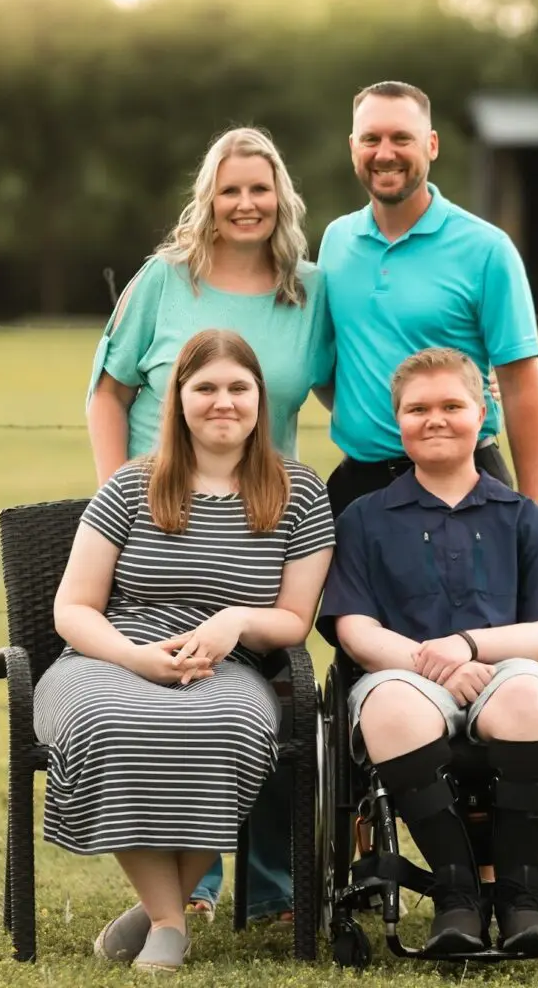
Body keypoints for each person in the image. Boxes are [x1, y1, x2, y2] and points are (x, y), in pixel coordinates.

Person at [86, 127, 334, 921]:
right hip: (159, 513)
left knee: (266, 682)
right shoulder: (163, 280)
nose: (246, 204)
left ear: (283, 197)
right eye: (231, 189)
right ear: (209, 197)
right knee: (176, 690)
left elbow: (337, 391)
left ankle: (274, 890)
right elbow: (107, 392)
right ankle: (190, 890)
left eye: (260, 189)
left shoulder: (312, 291)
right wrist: (120, 501)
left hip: (264, 517)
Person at [35, 330, 334, 971]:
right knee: (108, 720)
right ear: (179, 398)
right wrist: (135, 659)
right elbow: (72, 609)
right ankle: (171, 921)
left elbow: (293, 619)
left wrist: (233, 622)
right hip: (108, 657)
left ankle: (155, 913)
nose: (222, 402)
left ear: (261, 398)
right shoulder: (131, 486)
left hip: (229, 664)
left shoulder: (301, 493)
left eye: (238, 388)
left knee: (233, 726)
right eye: (205, 388)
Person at [317, 347, 538, 959]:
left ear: (483, 413)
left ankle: (519, 894)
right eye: (418, 409)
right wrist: (431, 664)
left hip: (508, 668)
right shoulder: (363, 518)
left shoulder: (523, 517)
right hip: (401, 673)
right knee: (391, 712)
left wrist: (468, 647)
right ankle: (456, 893)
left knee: (530, 700)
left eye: (452, 405)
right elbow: (354, 628)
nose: (435, 419)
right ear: (397, 420)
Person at [317, 81, 538, 520]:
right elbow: (332, 363)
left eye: (401, 138)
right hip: (359, 490)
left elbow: (521, 384)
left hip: (465, 485)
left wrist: (535, 511)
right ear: (354, 147)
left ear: (432, 144)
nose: (384, 153)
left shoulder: (486, 249)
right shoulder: (336, 241)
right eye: (371, 139)